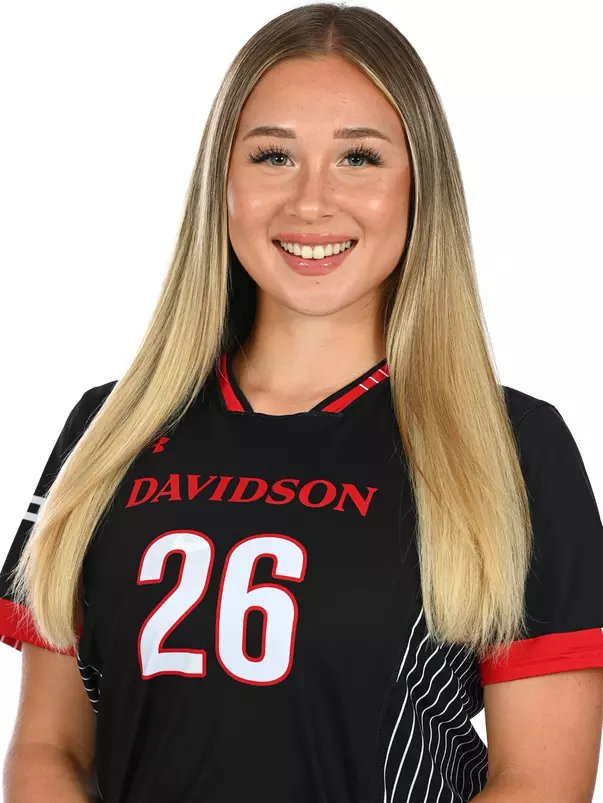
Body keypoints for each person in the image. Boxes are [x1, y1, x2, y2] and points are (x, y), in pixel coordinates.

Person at [1, 3, 603, 802]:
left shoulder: (511, 444)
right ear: (223, 181)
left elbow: (539, 783)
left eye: (358, 158)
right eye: (273, 155)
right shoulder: (108, 428)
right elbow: (47, 748)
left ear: (419, 186)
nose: (311, 202)